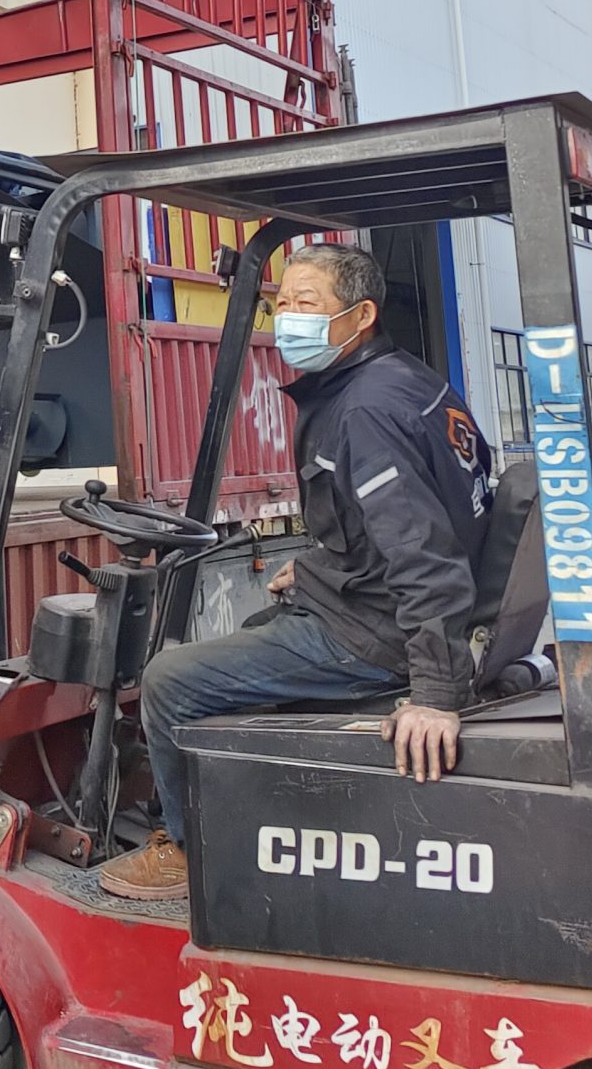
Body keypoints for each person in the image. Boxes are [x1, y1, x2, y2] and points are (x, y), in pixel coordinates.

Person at [97, 241, 493, 902]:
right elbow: (401, 520)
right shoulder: (405, 380)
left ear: (360, 315)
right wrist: (312, 572)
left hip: (377, 634)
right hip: (369, 606)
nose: (288, 318)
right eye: (282, 303)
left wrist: (435, 693)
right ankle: (252, 810)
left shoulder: (363, 412)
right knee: (257, 625)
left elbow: (423, 554)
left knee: (168, 680)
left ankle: (189, 851)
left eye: (306, 303)